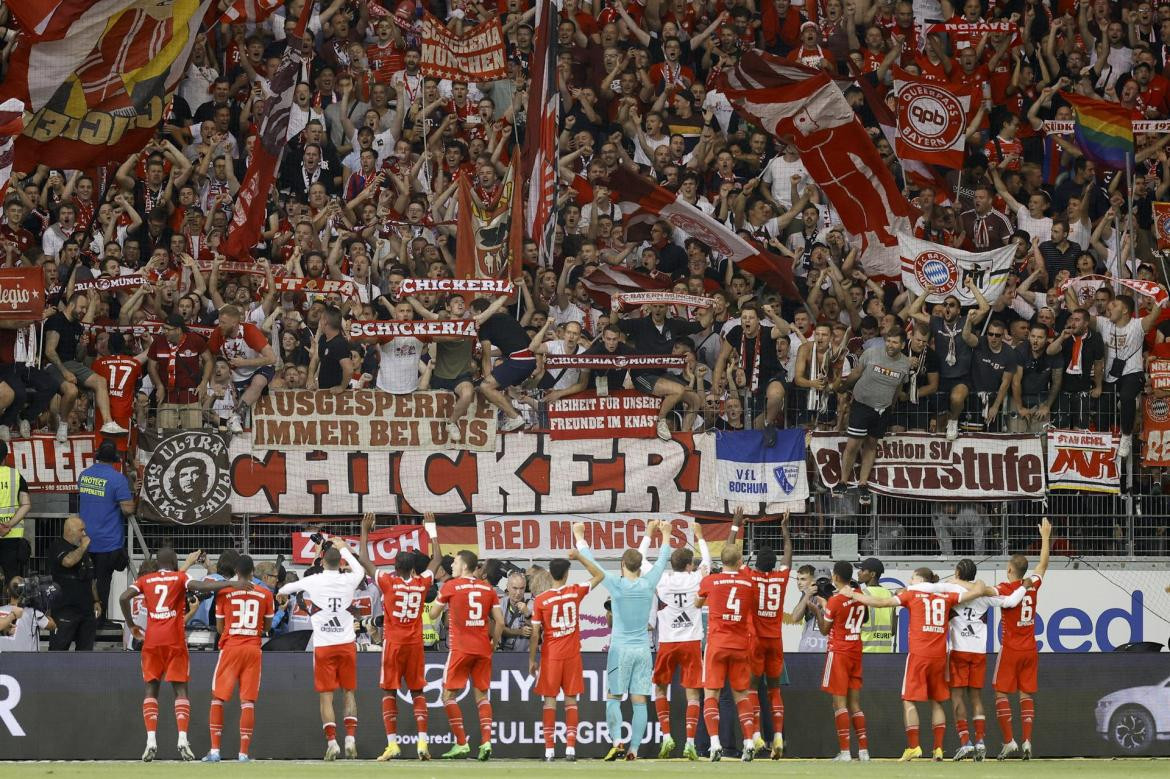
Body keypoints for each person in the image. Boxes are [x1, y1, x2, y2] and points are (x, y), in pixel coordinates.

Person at [847, 567, 988, 761]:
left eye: (912, 577)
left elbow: (881, 603)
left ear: (920, 580)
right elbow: (979, 589)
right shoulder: (946, 597)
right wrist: (953, 584)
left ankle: (914, 746)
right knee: (936, 702)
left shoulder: (911, 595)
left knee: (908, 700)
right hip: (939, 657)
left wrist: (853, 595)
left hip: (919, 656)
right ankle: (938, 749)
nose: (909, 580)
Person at [119, 546, 246, 762]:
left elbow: (123, 598)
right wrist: (231, 583)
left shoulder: (145, 580)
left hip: (152, 641)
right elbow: (201, 586)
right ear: (174, 562)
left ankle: (150, 741)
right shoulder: (180, 577)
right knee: (180, 690)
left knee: (151, 688)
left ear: (158, 563)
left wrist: (131, 625)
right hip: (174, 641)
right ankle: (182, 739)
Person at [911, 559, 1030, 762]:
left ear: (957, 572)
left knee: (957, 698)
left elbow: (928, 587)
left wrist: (913, 586)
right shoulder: (983, 594)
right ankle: (981, 742)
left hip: (958, 651)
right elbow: (1011, 602)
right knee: (976, 698)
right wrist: (1025, 587)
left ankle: (965, 742)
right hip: (979, 653)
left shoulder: (952, 590)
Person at [572, 519, 671, 761]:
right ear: (639, 566)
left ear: (622, 564)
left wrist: (579, 536)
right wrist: (664, 535)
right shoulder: (649, 583)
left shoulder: (615, 584)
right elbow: (662, 560)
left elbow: (592, 564)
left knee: (613, 698)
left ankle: (617, 740)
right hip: (642, 650)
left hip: (620, 650)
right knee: (639, 702)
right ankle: (634, 749)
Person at [355, 512, 443, 762]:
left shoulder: (387, 582)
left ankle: (392, 745)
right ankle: (422, 742)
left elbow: (363, 558)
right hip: (415, 645)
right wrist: (431, 529)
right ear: (414, 568)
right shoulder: (422, 583)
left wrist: (365, 530)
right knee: (418, 693)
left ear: (395, 568)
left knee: (389, 693)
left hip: (393, 644)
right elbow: (437, 559)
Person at [277, 536, 366, 760]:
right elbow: (361, 569)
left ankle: (332, 742)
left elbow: (287, 587)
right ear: (341, 563)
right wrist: (344, 549)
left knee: (326, 696)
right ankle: (351, 739)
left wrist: (280, 593)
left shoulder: (314, 580)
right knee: (349, 692)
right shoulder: (350, 579)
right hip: (346, 643)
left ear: (323, 562)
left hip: (324, 646)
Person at [528, 526, 604, 762]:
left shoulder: (541, 600)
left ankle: (549, 750)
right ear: (567, 574)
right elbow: (599, 574)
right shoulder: (574, 591)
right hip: (572, 655)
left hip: (551, 656)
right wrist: (580, 556)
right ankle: (570, 749)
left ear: (550, 574)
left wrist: (532, 659)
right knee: (571, 701)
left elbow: (535, 633)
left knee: (549, 702)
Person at [429, 547, 505, 760]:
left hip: (461, 648)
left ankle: (462, 743)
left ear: (463, 566)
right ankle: (486, 741)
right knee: (482, 696)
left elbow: (433, 613)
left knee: (448, 696)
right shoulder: (488, 589)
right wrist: (494, 643)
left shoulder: (450, 586)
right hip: (482, 648)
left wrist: (445, 604)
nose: (451, 566)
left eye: (454, 563)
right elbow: (500, 621)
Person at [647, 518, 711, 760]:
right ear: (688, 565)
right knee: (693, 694)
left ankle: (666, 736)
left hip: (668, 642)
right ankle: (690, 742)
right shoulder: (697, 578)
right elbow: (708, 561)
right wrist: (700, 536)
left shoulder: (662, 580)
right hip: (692, 641)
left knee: (660, 689)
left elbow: (641, 563)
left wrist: (654, 533)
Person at [202, 554, 275, 763]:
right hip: (253, 649)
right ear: (253, 572)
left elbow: (219, 627)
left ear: (236, 571)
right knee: (248, 702)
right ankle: (243, 753)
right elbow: (268, 627)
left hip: (231, 647)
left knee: (218, 698)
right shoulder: (265, 594)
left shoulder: (225, 592)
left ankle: (215, 751)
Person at [693, 531, 758, 762]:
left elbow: (697, 602)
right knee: (741, 695)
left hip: (717, 643)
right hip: (740, 644)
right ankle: (749, 741)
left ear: (722, 562)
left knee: (711, 694)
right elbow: (752, 606)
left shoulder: (710, 580)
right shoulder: (749, 583)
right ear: (740, 562)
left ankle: (714, 744)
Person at [832, 329, 913, 505]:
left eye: (895, 342)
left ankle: (863, 483)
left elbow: (898, 387)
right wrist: (842, 388)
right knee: (853, 445)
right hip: (862, 405)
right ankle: (843, 481)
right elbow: (856, 373)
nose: (890, 345)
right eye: (888, 341)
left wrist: (891, 406)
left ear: (902, 345)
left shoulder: (905, 364)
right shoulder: (871, 353)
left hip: (883, 410)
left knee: (871, 445)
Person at [994, 518, 1052, 760]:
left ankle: (1009, 741)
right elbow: (1043, 565)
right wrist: (1045, 537)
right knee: (1026, 694)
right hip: (1030, 648)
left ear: (1010, 570)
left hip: (1010, 648)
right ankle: (1027, 741)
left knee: (1000, 693)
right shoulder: (1033, 585)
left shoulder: (1005, 589)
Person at [745, 512, 792, 759]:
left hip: (756, 641)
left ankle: (755, 735)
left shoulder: (750, 576)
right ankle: (778, 736)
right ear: (774, 565)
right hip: (776, 640)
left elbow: (731, 557)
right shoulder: (781, 578)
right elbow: (788, 557)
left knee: (752, 688)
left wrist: (735, 526)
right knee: (775, 690)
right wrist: (785, 531)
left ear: (756, 565)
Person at [814, 561, 870, 761]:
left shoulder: (835, 601)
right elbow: (863, 620)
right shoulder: (860, 597)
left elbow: (824, 630)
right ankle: (863, 751)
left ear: (835, 577)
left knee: (839, 704)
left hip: (838, 653)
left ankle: (845, 752)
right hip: (856, 650)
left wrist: (818, 609)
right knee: (855, 703)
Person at [77, 440, 135, 626]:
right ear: (115, 459)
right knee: (103, 582)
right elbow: (127, 509)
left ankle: (85, 618)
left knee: (86, 580)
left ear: (97, 456)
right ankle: (99, 621)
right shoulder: (118, 479)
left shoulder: (83, 476)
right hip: (107, 542)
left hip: (84, 540)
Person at [48, 516, 101, 651]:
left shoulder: (83, 551)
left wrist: (96, 601)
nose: (84, 534)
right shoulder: (58, 546)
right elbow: (68, 562)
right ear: (70, 531)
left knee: (85, 651)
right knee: (58, 649)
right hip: (65, 609)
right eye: (81, 530)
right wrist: (83, 546)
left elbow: (90, 578)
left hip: (86, 610)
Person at [0, 441, 32, 582]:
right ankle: (13, 604)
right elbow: (26, 504)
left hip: (9, 535)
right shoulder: (15, 475)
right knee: (13, 579)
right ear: (5, 456)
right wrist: (8, 525)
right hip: (11, 536)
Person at [0, 576, 56, 651]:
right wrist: (45, 609)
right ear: (27, 591)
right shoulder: (33, 612)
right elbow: (52, 626)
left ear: (8, 591)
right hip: (27, 661)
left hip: (3, 660)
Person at [857, 557, 895, 653]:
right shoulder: (890, 595)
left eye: (862, 570)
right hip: (886, 654)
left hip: (864, 653)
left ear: (872, 574)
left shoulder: (861, 595)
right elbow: (893, 630)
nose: (858, 572)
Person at [499, 571, 532, 652]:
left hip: (525, 655)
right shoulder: (500, 604)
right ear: (508, 587)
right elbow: (498, 629)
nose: (518, 593)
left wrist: (527, 614)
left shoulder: (532, 604)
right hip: (504, 655)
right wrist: (519, 631)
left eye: (522, 588)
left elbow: (536, 631)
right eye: (515, 588)